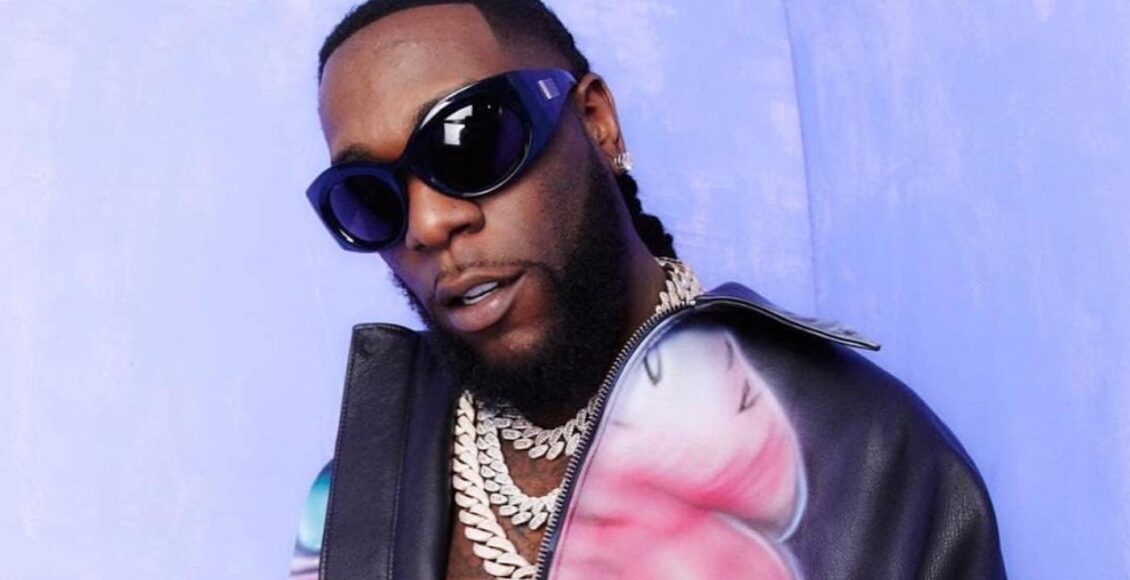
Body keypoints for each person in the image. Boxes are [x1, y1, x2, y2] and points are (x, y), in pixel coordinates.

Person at [290, 1, 1006, 578]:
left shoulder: (859, 453)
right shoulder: (351, 501)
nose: (429, 224)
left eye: (470, 140)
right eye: (368, 196)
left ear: (596, 123)